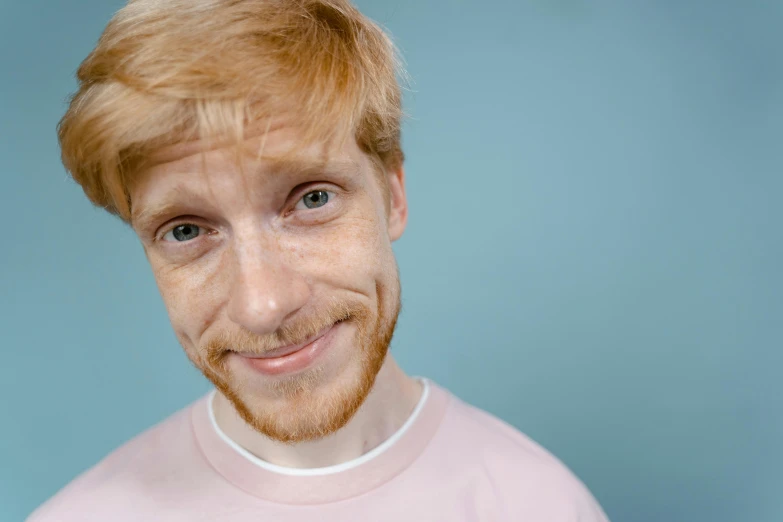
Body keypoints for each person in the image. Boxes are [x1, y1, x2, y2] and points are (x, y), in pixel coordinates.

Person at [28, 0, 609, 520]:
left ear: (394, 195)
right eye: (185, 230)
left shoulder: (540, 505)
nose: (263, 306)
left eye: (312, 198)